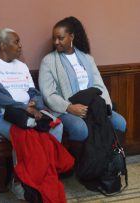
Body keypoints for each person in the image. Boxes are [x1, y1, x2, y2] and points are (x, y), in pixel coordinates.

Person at [0, 28, 64, 200]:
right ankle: (20, 180)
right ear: (3, 45)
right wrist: (23, 108)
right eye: (16, 42)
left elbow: (34, 92)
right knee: (26, 134)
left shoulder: (22, 66)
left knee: (56, 126)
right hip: (3, 114)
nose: (20, 46)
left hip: (30, 111)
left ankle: (46, 176)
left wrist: (36, 105)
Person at [39, 16, 126, 146]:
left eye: (60, 38)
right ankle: (80, 165)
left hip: (92, 106)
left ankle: (109, 160)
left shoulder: (87, 58)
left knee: (120, 122)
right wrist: (69, 107)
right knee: (80, 128)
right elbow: (48, 94)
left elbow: (99, 85)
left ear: (71, 37)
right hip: (65, 109)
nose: (56, 42)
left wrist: (105, 108)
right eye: (54, 38)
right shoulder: (48, 61)